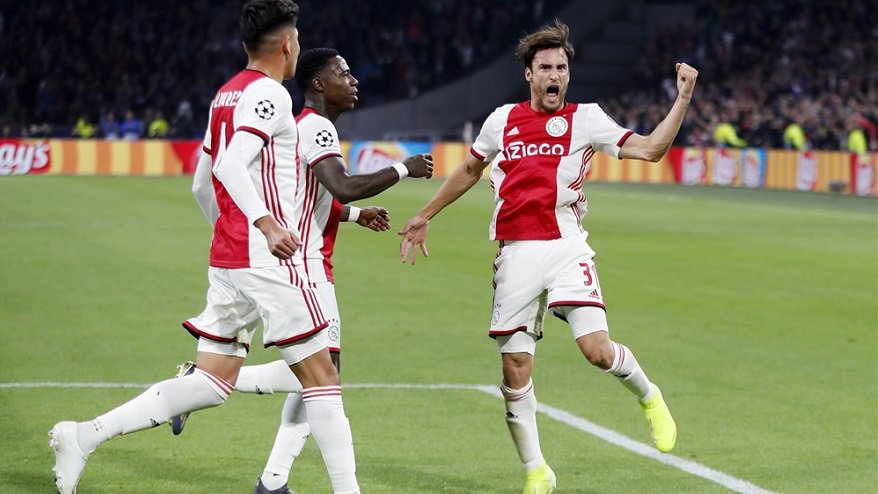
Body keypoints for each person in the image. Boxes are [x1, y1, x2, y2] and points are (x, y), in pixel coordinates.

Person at [48, 2, 361, 494]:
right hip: (268, 259)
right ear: (286, 45)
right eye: (297, 39)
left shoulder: (225, 95)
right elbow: (230, 164)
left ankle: (84, 435)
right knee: (323, 379)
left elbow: (202, 181)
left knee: (211, 382)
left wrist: (230, 231)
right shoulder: (271, 94)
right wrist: (264, 225)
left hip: (231, 258)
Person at [399, 20, 696, 494]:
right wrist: (424, 214)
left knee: (597, 350)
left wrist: (682, 97)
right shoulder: (502, 120)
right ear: (529, 74)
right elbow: (471, 169)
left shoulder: (587, 118)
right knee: (515, 369)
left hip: (565, 246)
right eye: (545, 68)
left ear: (568, 74)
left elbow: (652, 149)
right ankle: (537, 470)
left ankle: (648, 395)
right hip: (515, 252)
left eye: (561, 67)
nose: (554, 75)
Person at [179, 47, 433, 494]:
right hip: (307, 265)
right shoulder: (315, 127)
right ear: (318, 83)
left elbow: (308, 199)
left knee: (320, 372)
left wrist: (355, 217)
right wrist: (403, 168)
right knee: (322, 373)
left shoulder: (301, 127)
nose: (354, 80)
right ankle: (202, 385)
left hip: (303, 260)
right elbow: (342, 186)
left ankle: (273, 479)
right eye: (344, 73)